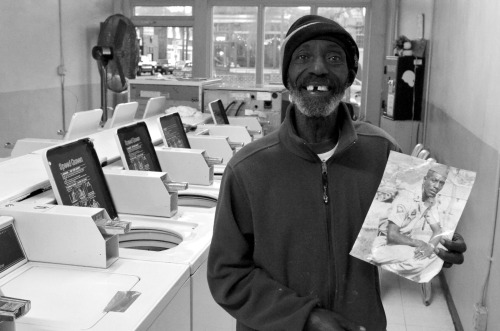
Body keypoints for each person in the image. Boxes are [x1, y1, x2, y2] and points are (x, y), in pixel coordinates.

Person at [207, 15, 466, 331]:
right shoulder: (247, 170)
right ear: (287, 77)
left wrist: (437, 244)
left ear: (349, 77)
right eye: (303, 57)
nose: (318, 68)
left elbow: (407, 240)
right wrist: (307, 318)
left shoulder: (382, 153)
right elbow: (227, 274)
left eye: (333, 58)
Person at [369, 165, 451, 282]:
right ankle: (377, 257)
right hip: (384, 241)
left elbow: (437, 230)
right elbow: (392, 235)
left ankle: (386, 260)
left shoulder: (431, 199)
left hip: (404, 242)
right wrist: (420, 243)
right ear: (424, 179)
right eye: (434, 180)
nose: (437, 186)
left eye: (441, 183)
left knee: (435, 257)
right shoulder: (406, 197)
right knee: (421, 263)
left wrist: (430, 246)